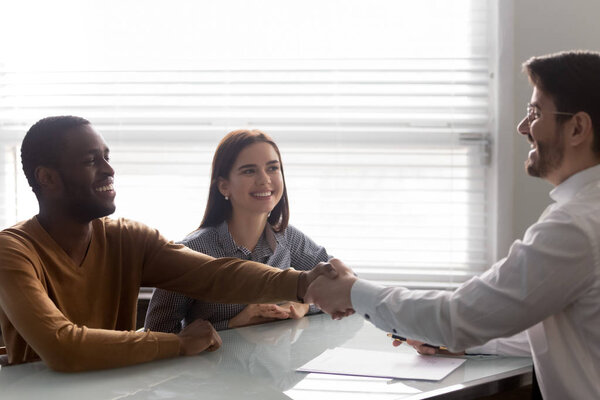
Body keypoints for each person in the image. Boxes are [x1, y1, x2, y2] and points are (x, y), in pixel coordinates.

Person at [305, 50, 600, 400]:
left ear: (578, 128)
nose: (523, 127)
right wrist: (464, 343)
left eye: (535, 113)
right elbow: (548, 321)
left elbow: (457, 315)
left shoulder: (574, 228)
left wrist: (351, 291)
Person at [0, 116, 334, 372]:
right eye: (91, 161)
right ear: (47, 178)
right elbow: (63, 347)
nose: (109, 169)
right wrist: (177, 344)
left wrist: (304, 283)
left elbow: (217, 274)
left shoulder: (128, 238)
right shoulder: (12, 251)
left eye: (106, 156)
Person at [145, 129, 330, 332]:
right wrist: (234, 324)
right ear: (224, 186)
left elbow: (341, 282)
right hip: (210, 364)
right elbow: (156, 334)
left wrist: (305, 305)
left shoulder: (288, 238)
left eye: (273, 168)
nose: (264, 179)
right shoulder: (189, 252)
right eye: (249, 171)